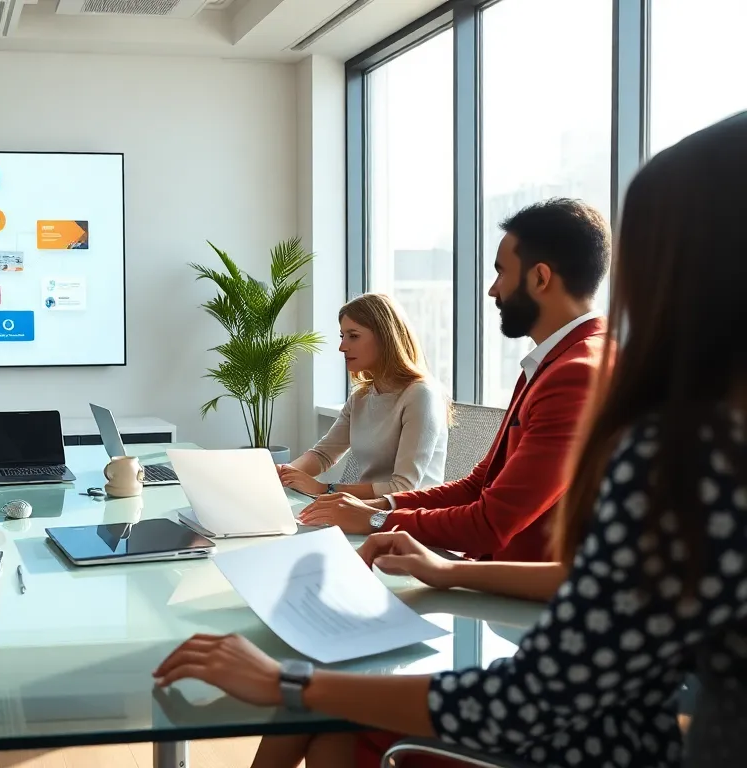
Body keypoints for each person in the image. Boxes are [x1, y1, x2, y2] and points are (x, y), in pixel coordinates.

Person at [155, 113, 747, 768]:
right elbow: (608, 583)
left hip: (584, 722)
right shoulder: (633, 401)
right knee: (323, 711)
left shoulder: (674, 437)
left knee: (322, 709)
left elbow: (538, 686)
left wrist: (288, 682)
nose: (490, 288)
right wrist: (435, 559)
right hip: (596, 693)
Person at [299, 198, 610, 563]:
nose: (493, 290)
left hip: (511, 587)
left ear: (540, 278)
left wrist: (375, 519)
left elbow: (490, 522)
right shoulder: (550, 363)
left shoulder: (576, 373)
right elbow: (478, 485)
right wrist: (378, 506)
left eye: (501, 273)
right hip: (488, 570)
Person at [278, 293, 449, 499]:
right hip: (365, 508)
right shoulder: (360, 398)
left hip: (409, 513)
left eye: (353, 336)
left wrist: (325, 489)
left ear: (385, 337)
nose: (342, 347)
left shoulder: (421, 395)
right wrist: (282, 473)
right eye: (342, 336)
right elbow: (323, 455)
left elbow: (403, 488)